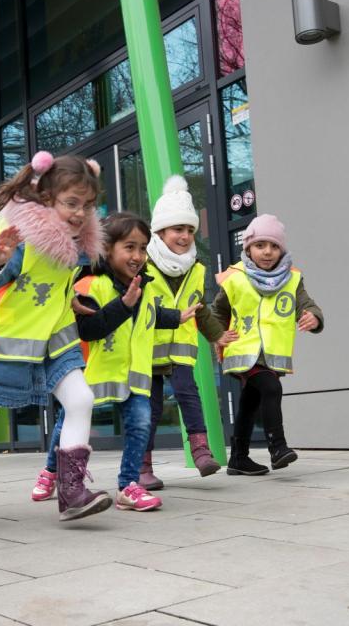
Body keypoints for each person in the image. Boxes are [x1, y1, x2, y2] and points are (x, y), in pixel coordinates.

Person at [0, 151, 113, 524]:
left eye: (87, 204)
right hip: (5, 345)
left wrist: (71, 300)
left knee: (81, 399)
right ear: (47, 199)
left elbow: (51, 285)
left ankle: (72, 493)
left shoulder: (77, 245)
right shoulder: (20, 237)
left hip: (55, 340)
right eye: (71, 203)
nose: (80, 212)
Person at [31, 213, 198, 512]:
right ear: (107, 248)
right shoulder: (91, 285)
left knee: (140, 424)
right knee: (68, 422)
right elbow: (90, 329)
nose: (137, 256)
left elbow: (148, 315)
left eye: (143, 248)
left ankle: (128, 486)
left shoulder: (142, 285)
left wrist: (176, 317)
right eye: (130, 247)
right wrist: (124, 305)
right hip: (97, 373)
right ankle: (51, 471)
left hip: (135, 375)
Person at [139, 176, 234, 490]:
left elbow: (200, 308)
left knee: (188, 394)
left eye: (190, 230)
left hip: (180, 348)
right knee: (149, 408)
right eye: (178, 229)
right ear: (160, 231)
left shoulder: (196, 268)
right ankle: (143, 465)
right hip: (147, 349)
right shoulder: (143, 265)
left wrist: (216, 335)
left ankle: (200, 450)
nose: (184, 236)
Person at [211, 213, 324, 475]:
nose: (268, 252)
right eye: (260, 245)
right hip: (242, 349)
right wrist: (217, 336)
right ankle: (278, 448)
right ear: (248, 248)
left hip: (271, 354)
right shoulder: (235, 277)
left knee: (250, 402)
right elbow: (217, 313)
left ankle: (238, 458)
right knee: (271, 388)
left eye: (274, 246)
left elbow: (307, 305)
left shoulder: (292, 278)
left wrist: (314, 318)